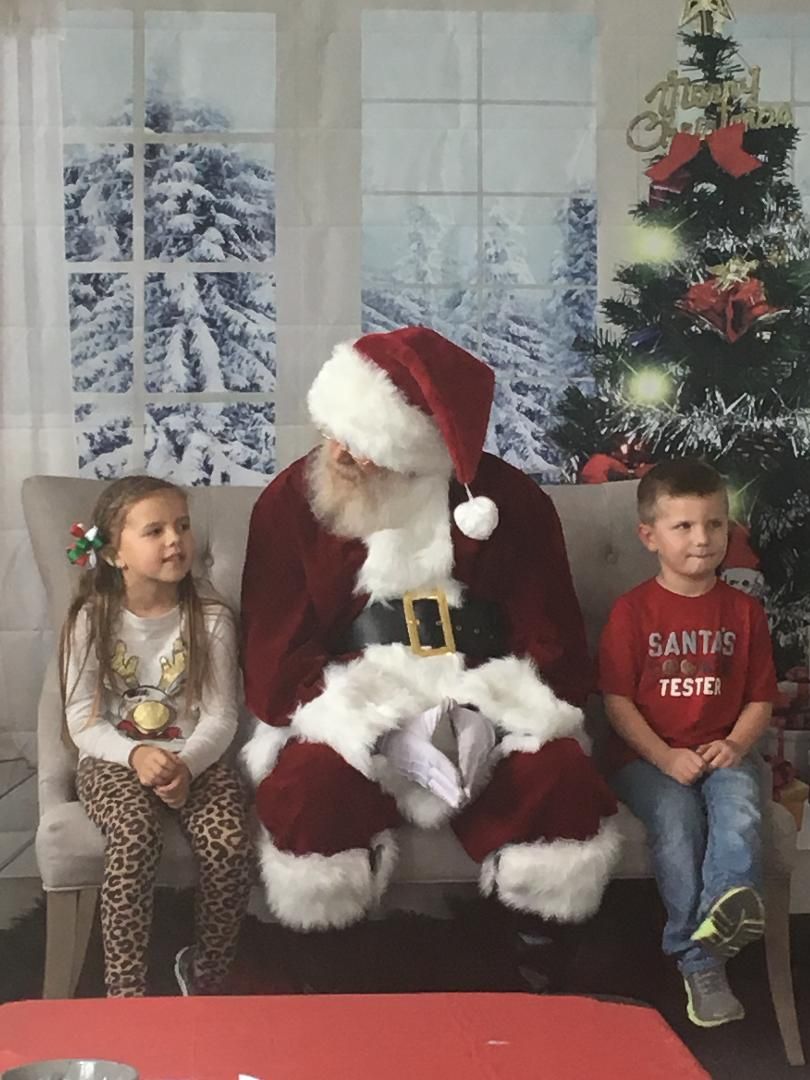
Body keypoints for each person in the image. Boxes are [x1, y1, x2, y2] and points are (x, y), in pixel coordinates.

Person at [240, 325, 620, 932]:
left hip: (483, 704)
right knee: (309, 790)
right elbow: (273, 653)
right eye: (335, 431)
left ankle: (535, 943)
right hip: (357, 707)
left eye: (362, 444)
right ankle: (330, 956)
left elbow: (553, 639)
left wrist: (487, 716)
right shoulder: (292, 502)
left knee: (560, 777)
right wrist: (379, 728)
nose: (337, 453)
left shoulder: (509, 503)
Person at [598, 459, 776, 1028]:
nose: (703, 539)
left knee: (741, 809)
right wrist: (664, 756)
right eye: (684, 526)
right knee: (676, 822)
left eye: (716, 524)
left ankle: (723, 914)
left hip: (723, 749)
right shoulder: (631, 613)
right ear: (649, 536)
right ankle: (697, 958)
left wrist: (736, 745)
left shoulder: (744, 613)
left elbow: (759, 698)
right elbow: (617, 704)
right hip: (649, 758)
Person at [60, 475, 252, 997]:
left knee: (231, 841)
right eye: (155, 530)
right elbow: (82, 721)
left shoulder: (210, 619)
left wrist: (186, 765)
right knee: (134, 832)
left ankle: (208, 972)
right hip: (115, 759)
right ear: (116, 552)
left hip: (195, 759)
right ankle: (126, 989)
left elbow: (221, 716)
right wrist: (137, 754)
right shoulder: (90, 618)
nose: (175, 540)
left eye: (183, 526)